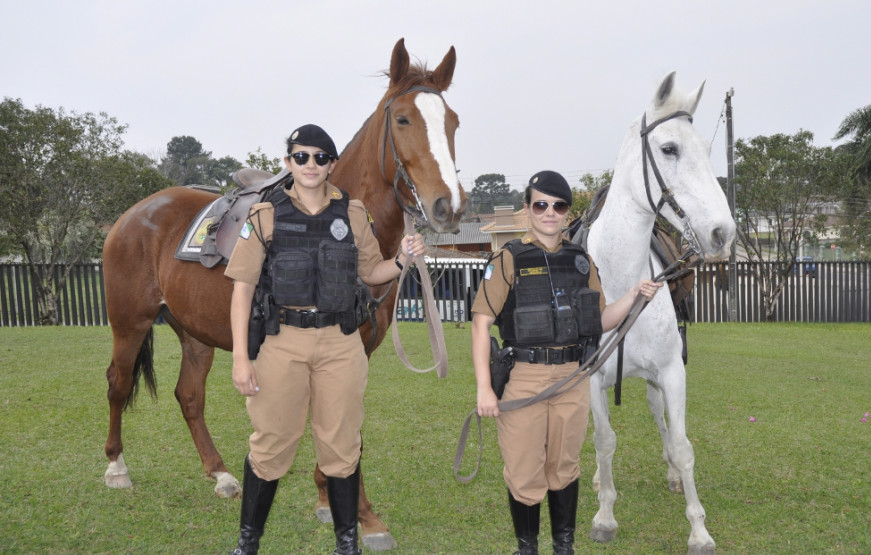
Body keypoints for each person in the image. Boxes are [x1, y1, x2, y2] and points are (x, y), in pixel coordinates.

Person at [225, 124, 426, 555]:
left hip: (340, 342)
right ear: (288, 162)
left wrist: (403, 260)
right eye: (301, 157)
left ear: (332, 164)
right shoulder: (266, 213)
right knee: (271, 441)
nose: (311, 165)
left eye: (320, 157)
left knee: (342, 444)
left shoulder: (352, 214)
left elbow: (372, 272)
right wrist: (241, 358)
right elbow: (242, 289)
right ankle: (248, 543)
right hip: (283, 342)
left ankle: (347, 543)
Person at [471, 170, 661, 555]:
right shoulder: (507, 259)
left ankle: (564, 547)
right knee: (524, 471)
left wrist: (635, 296)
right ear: (527, 210)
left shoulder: (581, 261)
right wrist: (484, 388)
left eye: (558, 206)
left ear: (567, 212)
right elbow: (481, 323)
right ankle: (527, 548)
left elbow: (602, 320)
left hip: (572, 379)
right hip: (523, 378)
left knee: (564, 467)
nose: (549, 213)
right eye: (540, 205)